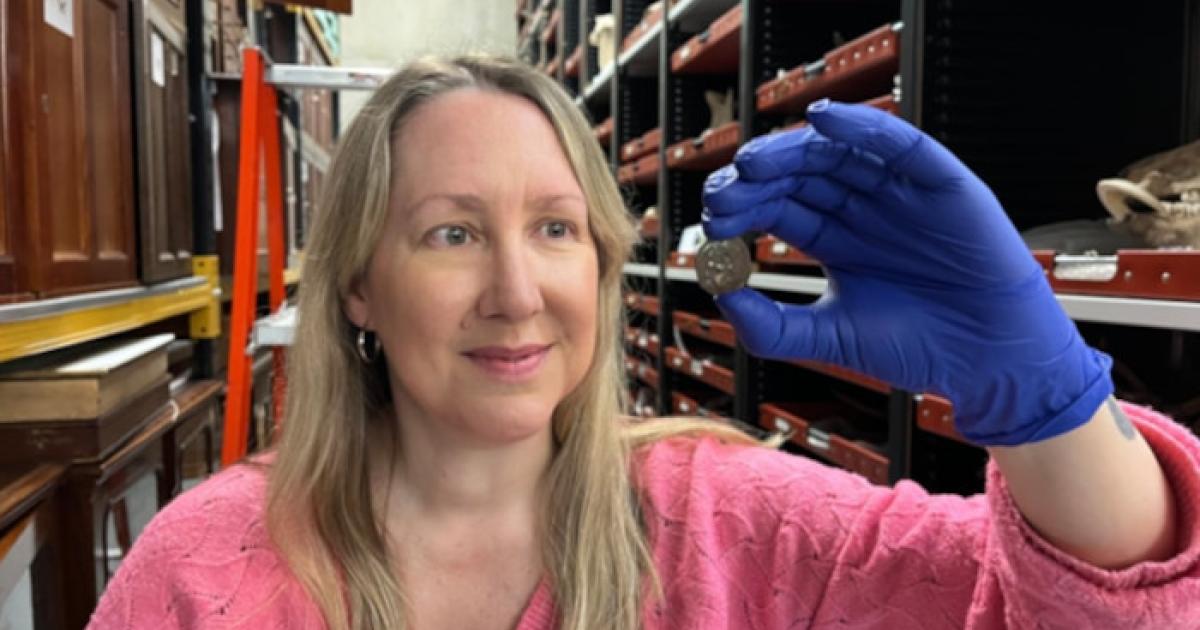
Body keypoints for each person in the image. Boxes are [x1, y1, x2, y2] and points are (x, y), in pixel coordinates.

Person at [88, 55, 1200, 630]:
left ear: (603, 265)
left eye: (557, 229)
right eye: (453, 233)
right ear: (360, 291)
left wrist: (1049, 402)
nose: (517, 291)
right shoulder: (203, 570)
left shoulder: (737, 520)